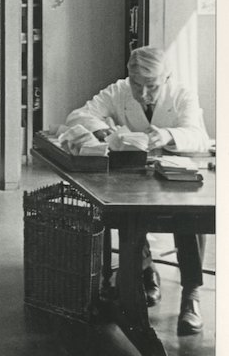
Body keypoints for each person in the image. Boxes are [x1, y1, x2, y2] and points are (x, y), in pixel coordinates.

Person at [65, 45, 211, 335]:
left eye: (152, 87)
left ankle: (191, 295)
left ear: (166, 79)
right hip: (137, 175)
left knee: (189, 218)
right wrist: (102, 130)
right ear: (128, 78)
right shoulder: (119, 90)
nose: (143, 94)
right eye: (137, 85)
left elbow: (200, 138)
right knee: (129, 212)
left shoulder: (182, 95)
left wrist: (169, 134)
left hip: (177, 174)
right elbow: (78, 116)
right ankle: (146, 274)